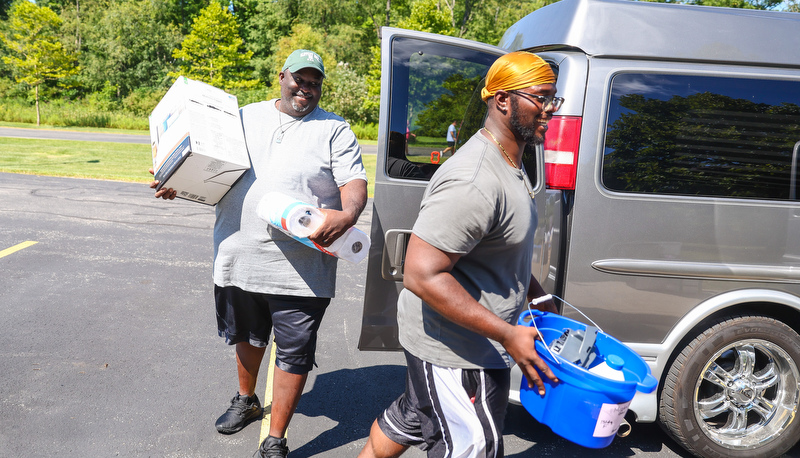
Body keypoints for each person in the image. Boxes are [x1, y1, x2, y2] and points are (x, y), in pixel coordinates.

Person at [150, 49, 368, 458]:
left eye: (314, 82)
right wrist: (176, 179)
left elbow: (354, 180)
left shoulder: (335, 130)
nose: (306, 88)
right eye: (299, 79)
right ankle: (246, 400)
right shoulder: (244, 117)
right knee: (248, 336)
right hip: (238, 254)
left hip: (303, 269)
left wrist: (349, 212)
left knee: (294, 350)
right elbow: (208, 166)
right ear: (281, 76)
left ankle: (276, 439)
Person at [358, 51, 564, 458]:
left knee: (412, 418)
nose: (550, 110)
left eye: (553, 99)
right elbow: (422, 275)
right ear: (503, 101)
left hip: (468, 343)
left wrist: (535, 294)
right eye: (540, 98)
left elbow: (498, 250)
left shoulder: (511, 162)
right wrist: (507, 334)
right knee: (474, 447)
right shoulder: (474, 180)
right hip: (456, 354)